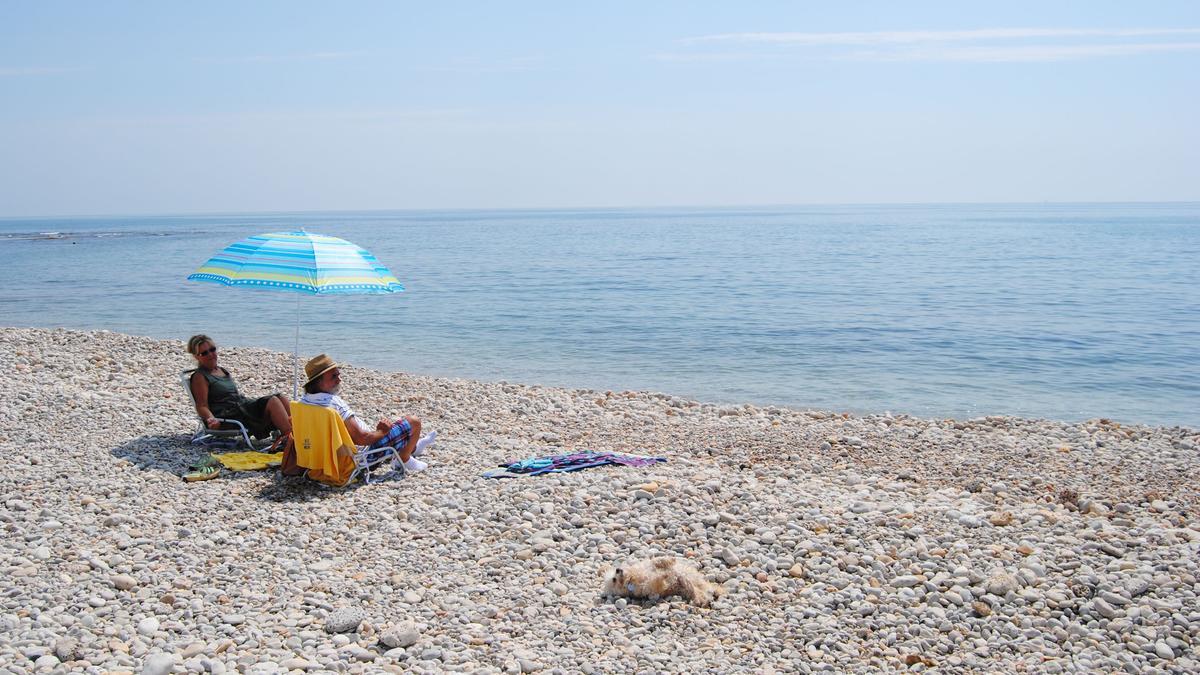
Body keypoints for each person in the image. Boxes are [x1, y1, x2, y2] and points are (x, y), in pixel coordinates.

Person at [299, 354, 435, 473]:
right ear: (318, 382)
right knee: (413, 422)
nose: (339, 379)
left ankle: (414, 448)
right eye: (334, 376)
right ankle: (404, 460)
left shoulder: (302, 403)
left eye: (339, 374)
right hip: (361, 456)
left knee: (399, 434)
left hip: (327, 457)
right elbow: (362, 439)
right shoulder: (333, 404)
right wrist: (382, 431)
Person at [187, 334, 292, 441]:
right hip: (230, 415)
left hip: (241, 408)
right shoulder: (200, 376)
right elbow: (202, 405)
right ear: (196, 357)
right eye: (204, 353)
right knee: (272, 401)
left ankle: (298, 433)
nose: (210, 354)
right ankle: (289, 440)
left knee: (280, 397)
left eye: (212, 349)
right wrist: (211, 419)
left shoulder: (221, 370)